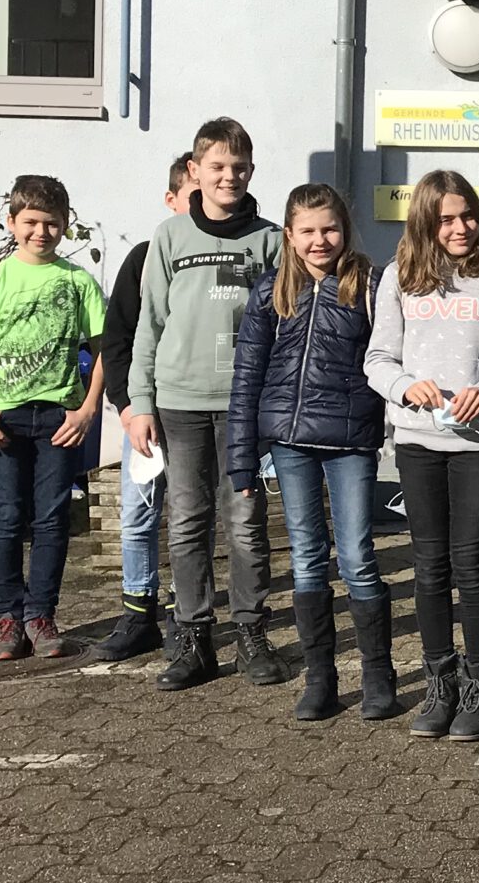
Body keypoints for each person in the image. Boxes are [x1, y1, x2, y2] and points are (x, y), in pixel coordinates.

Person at [129, 118, 285, 692]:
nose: (229, 176)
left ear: (251, 171)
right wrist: (140, 401)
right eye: (217, 166)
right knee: (188, 522)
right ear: (194, 171)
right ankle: (193, 638)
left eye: (239, 167)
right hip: (179, 401)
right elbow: (150, 322)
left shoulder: (270, 240)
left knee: (245, 522)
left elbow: (286, 326)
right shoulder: (169, 236)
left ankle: (251, 633)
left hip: (243, 405)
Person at [227, 184, 390, 722]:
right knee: (305, 558)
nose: (320, 240)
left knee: (357, 557)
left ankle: (378, 676)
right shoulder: (270, 291)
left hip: (351, 441)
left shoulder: (369, 285)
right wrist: (242, 460)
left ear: (345, 229)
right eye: (308, 231)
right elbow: (247, 377)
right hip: (289, 442)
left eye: (330, 229)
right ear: (290, 236)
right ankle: (321, 678)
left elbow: (389, 357)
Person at [365, 170, 479, 743]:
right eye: (446, 219)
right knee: (429, 566)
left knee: (471, 564)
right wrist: (407, 387)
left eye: (468, 215)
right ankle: (439, 684)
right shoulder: (399, 275)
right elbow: (378, 359)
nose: (460, 227)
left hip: (478, 441)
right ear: (425, 222)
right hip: (418, 441)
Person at [0, 175, 106, 663]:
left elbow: (104, 349)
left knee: (52, 518)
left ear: (65, 225)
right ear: (12, 222)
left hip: (59, 420)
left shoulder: (78, 282)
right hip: (3, 420)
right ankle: (7, 618)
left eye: (52, 223)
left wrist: (87, 409)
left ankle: (41, 616)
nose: (42, 232)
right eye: (32, 222)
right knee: (4, 516)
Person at [90, 152, 193, 664]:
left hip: (196, 413)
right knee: (138, 513)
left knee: (192, 518)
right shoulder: (145, 258)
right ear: (171, 200)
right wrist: (128, 407)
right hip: (144, 416)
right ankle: (138, 614)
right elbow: (118, 340)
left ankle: (185, 613)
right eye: (192, 196)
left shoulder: (224, 256)